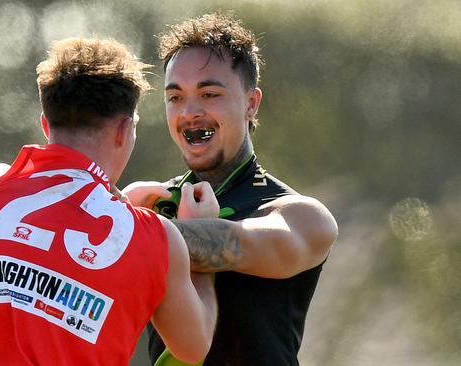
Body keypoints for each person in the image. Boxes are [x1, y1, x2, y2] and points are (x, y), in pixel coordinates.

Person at [0, 38, 218, 365]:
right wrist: (202, 234)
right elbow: (195, 345)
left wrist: (112, 201)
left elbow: (49, 235)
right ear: (123, 131)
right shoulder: (159, 239)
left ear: (45, 123)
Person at [123, 13, 339, 366]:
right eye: (175, 98)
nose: (190, 112)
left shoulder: (299, 214)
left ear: (251, 103)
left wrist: (118, 223)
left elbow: (237, 244)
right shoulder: (147, 205)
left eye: (209, 94)